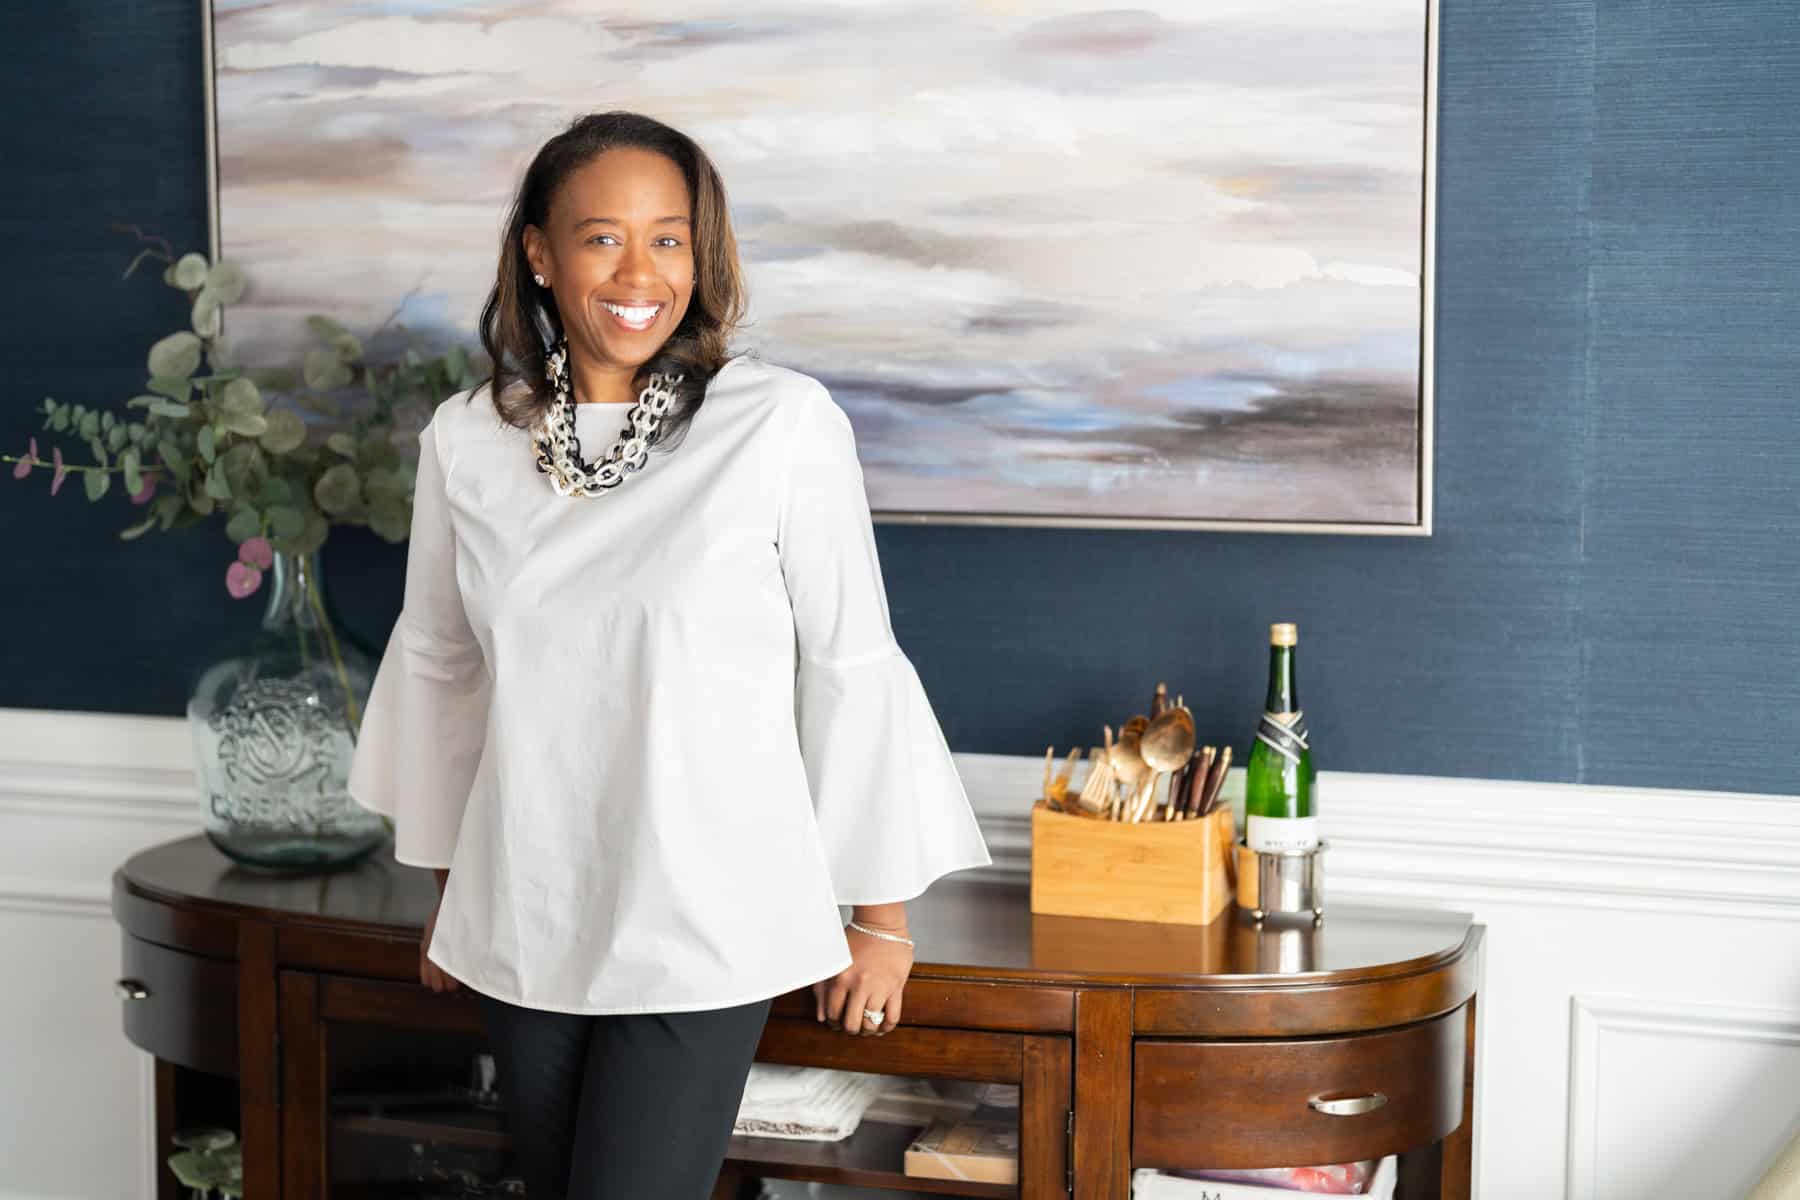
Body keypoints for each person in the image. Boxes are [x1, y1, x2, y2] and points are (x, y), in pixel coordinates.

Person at [345, 110, 992, 1199]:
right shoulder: (467, 438)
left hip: (708, 911)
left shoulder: (780, 424)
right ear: (540, 254)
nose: (639, 272)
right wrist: (454, 898)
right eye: (602, 238)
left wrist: (881, 922)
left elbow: (849, 663)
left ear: (702, 256)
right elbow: (445, 671)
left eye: (669, 239)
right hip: (527, 909)